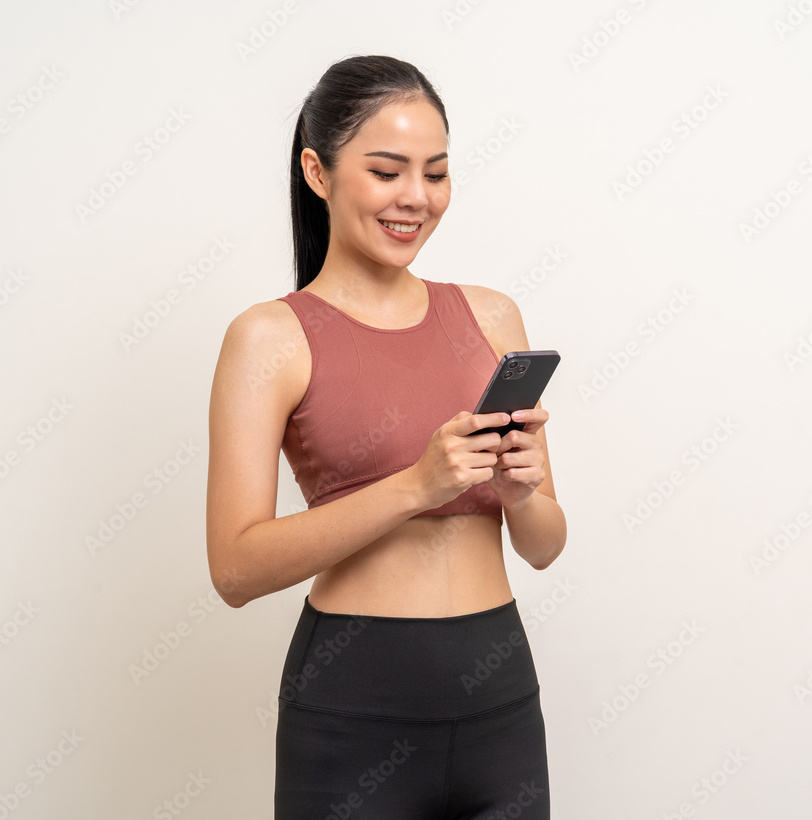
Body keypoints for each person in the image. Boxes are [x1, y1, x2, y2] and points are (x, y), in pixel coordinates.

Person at [206, 54, 566, 819]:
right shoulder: (269, 337)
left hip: (501, 703)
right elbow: (235, 569)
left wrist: (522, 491)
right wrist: (415, 487)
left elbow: (542, 545)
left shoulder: (491, 316)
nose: (416, 198)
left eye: (435, 174)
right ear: (318, 170)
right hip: (351, 713)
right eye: (387, 170)